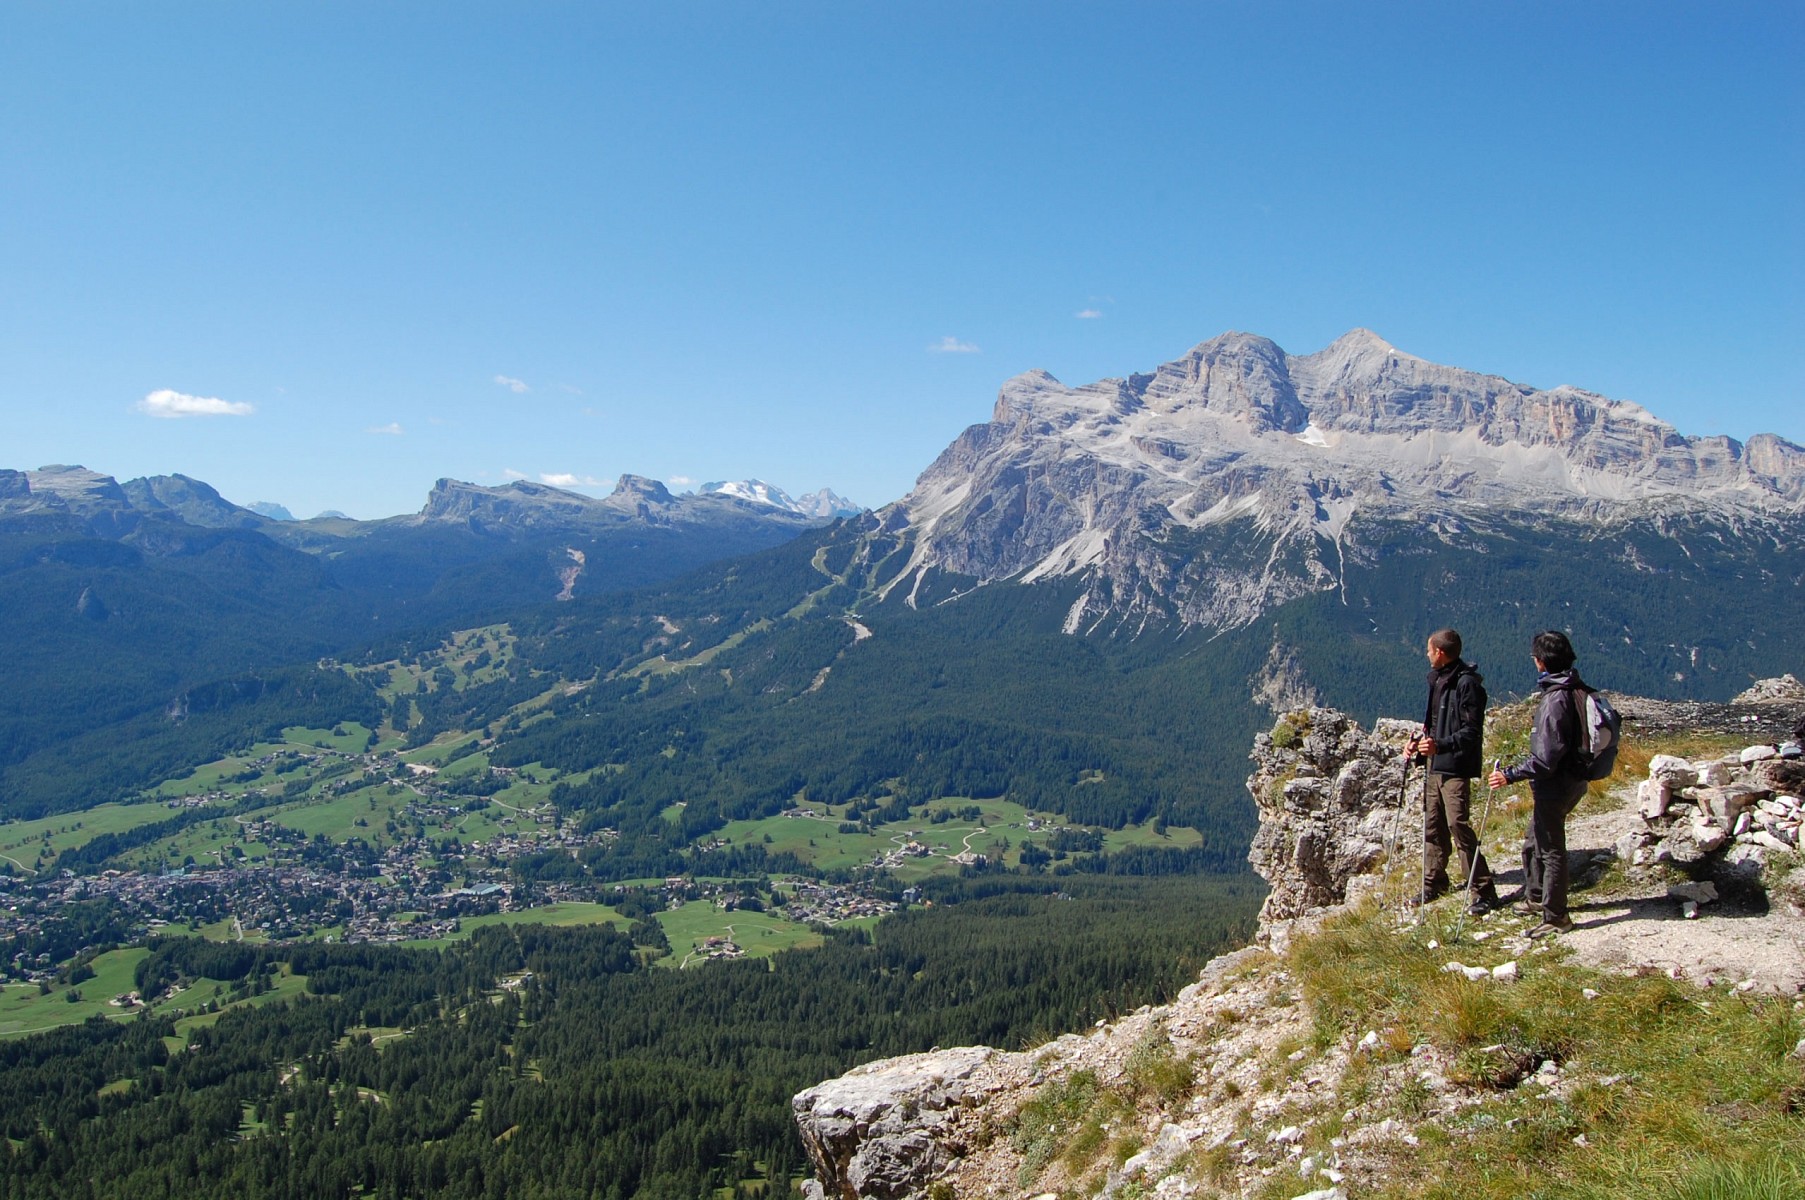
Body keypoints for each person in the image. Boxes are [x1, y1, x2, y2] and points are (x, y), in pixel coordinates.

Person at [1488, 630, 1589, 938]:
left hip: (1555, 784)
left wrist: (1510, 774)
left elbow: (1545, 760)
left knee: (1551, 848)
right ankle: (1535, 897)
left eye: (1535, 658)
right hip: (1574, 780)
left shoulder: (1555, 700)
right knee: (1535, 838)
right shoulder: (1576, 688)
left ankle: (1557, 916)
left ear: (1541, 662)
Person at [1408, 628, 1497, 915]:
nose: (1426, 654)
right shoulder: (1438, 680)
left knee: (1458, 825)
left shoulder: (1466, 685)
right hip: (1435, 765)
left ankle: (1484, 890)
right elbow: (1433, 723)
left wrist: (1439, 746)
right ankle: (1434, 882)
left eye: (1429, 649)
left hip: (1455, 767)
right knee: (1432, 824)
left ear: (1440, 652)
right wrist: (1418, 744)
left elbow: (1472, 731)